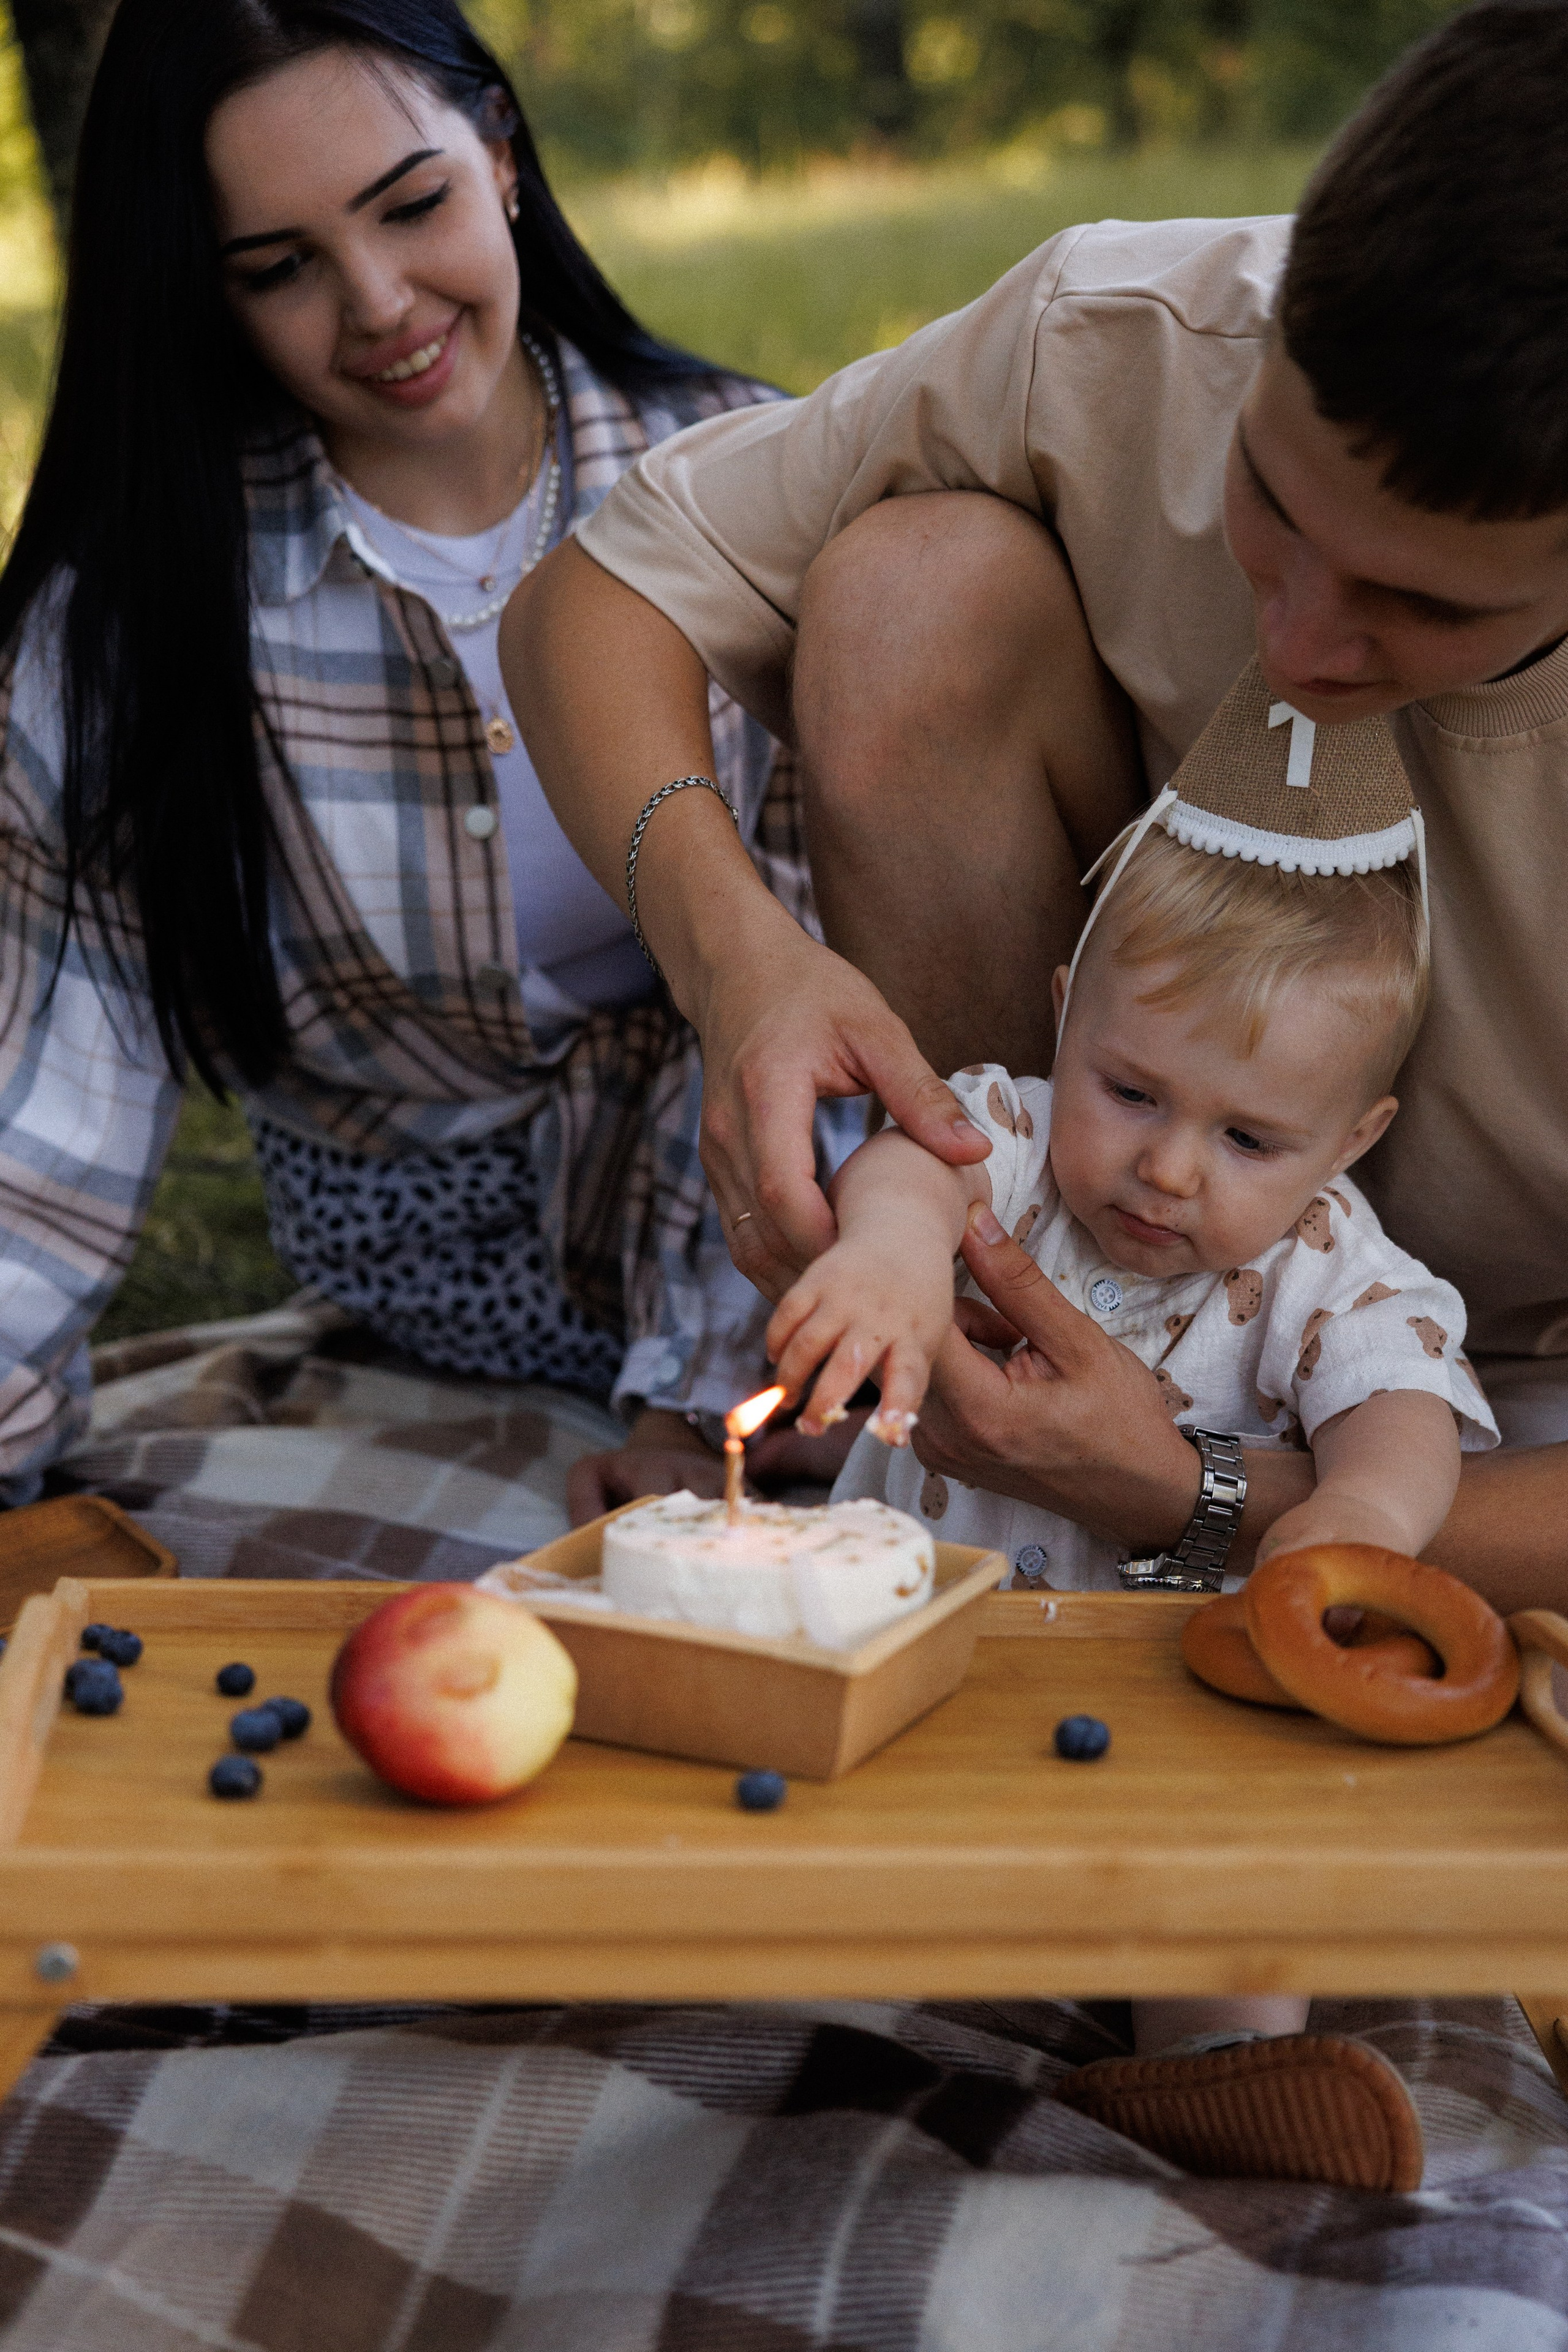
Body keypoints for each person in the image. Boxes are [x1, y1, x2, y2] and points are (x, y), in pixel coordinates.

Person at [502, 0, 1568, 1601]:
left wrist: (1198, 1492)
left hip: (1497, 1420)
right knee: (913, 592)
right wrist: (742, 968)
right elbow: (595, 598)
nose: (1293, 641)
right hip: (1035, 1208)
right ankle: (966, 1363)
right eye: (1268, 500)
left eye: (1423, 608)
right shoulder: (1134, 332)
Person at [0, 0, 851, 1510]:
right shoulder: (135, 622)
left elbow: (842, 969)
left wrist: (713, 1375)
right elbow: (38, 1136)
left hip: (782, 1233)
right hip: (429, 1277)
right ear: (202, 294)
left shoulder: (754, 477)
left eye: (414, 206)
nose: (380, 303)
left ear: (502, 157)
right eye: (279, 269)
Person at [758, 659, 1483, 2191]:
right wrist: (889, 1251)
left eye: (1244, 1136)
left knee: (1236, 1876)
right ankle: (818, 2022)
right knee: (790, 1805)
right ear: (1061, 1021)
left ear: (1348, 1141)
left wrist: (1358, 1521)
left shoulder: (1323, 1266)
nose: (1164, 1170)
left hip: (1174, 1710)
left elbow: (1403, 1413)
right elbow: (914, 1163)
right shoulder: (1012, 1148)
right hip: (919, 1660)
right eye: (1131, 1090)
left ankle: (1209, 2078)